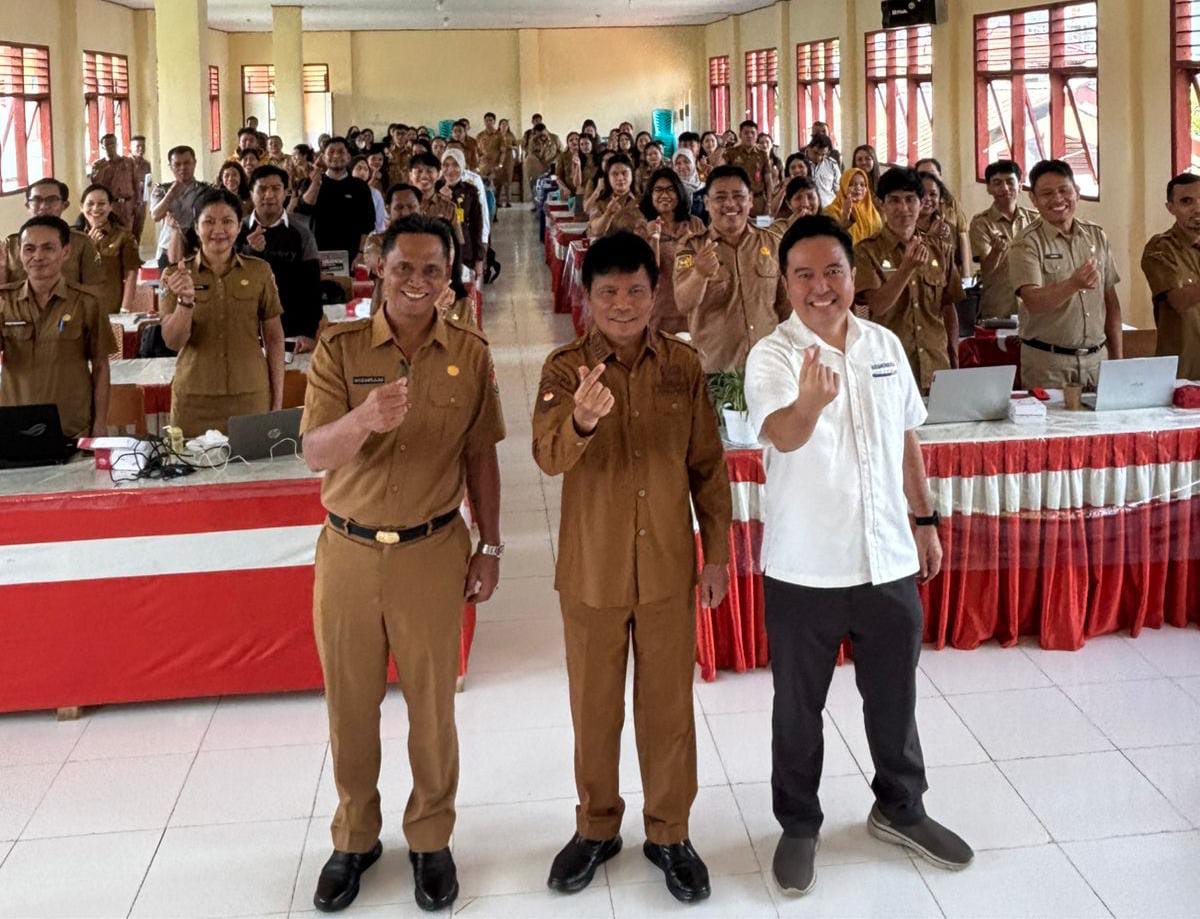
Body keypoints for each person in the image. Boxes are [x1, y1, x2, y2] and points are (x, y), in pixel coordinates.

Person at [744, 214, 973, 897]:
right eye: (806, 275)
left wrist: (925, 517)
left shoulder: (883, 344)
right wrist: (810, 404)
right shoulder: (773, 356)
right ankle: (798, 821)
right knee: (798, 706)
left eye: (834, 272)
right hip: (805, 566)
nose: (822, 288)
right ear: (785, 283)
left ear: (852, 275)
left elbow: (906, 434)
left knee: (894, 696)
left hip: (888, 558)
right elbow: (780, 436)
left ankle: (901, 806)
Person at [301, 215, 504, 915]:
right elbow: (314, 452)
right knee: (349, 705)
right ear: (377, 269)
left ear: (451, 277)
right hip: (350, 553)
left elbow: (482, 453)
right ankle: (356, 836)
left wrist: (493, 544)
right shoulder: (340, 347)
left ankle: (430, 837)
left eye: (432, 272)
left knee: (432, 708)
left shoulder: (470, 353)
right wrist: (363, 419)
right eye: (403, 269)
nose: (417, 284)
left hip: (432, 550)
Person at [532, 230, 731, 904]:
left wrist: (719, 555)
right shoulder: (564, 369)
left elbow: (707, 468)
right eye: (608, 292)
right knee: (594, 709)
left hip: (670, 567)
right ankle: (596, 826)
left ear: (657, 294)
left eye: (637, 291)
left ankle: (669, 832)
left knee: (667, 708)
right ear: (587, 297)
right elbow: (548, 456)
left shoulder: (682, 366)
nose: (623, 304)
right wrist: (582, 423)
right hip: (592, 571)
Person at [158, 188, 285, 436]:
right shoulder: (175, 275)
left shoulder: (259, 272)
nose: (218, 230)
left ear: (239, 227)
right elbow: (173, 342)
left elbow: (274, 338)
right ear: (196, 227)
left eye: (227, 221)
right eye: (209, 222)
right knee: (193, 473)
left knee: (253, 472)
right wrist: (185, 302)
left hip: (250, 396)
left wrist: (277, 401)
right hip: (194, 400)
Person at [1009, 159, 1123, 389]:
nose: (1058, 199)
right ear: (1034, 199)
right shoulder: (1026, 243)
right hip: (1049, 365)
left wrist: (1117, 362)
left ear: (1077, 193)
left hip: (1096, 362)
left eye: (1064, 190)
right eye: (1047, 193)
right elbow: (1033, 302)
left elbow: (1111, 302)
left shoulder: (1096, 236)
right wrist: (1073, 284)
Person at [0, 215, 114, 438]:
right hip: (15, 425)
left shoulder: (87, 302)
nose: (37, 257)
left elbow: (101, 367)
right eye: (29, 249)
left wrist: (100, 426)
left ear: (65, 252)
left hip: (72, 427)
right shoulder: (5, 302)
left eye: (48, 248)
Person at [673, 165, 790, 372]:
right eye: (720, 198)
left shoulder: (773, 244)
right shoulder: (692, 247)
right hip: (717, 372)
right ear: (707, 203)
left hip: (769, 368)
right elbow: (683, 303)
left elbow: (785, 307)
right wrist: (699, 274)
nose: (730, 204)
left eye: (738, 196)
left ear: (751, 200)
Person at [854, 167, 962, 391]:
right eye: (894, 200)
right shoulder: (866, 252)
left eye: (910, 199)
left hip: (936, 364)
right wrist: (906, 269)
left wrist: (953, 352)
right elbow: (878, 305)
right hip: (889, 366)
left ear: (921, 203)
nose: (903, 208)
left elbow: (948, 306)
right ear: (880, 204)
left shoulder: (940, 249)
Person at [236, 165, 323, 353]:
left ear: (286, 193)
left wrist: (308, 333)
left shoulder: (301, 233)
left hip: (292, 331)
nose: (269, 195)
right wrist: (250, 252)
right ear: (251, 193)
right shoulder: (236, 230)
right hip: (244, 332)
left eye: (276, 189)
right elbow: (229, 279)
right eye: (262, 189)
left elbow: (312, 287)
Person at [1142, 173, 1200, 379]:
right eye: (1186, 201)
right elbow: (1179, 301)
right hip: (1183, 372)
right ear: (1171, 208)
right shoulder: (1161, 248)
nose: (1197, 209)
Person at [968, 159, 1038, 322]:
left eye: (1010, 182)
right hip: (998, 308)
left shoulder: (1035, 220)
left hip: (1032, 307)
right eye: (997, 183)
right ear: (989, 188)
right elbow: (987, 269)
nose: (1004, 188)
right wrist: (997, 251)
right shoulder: (981, 223)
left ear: (1020, 185)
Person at [638, 168, 706, 333]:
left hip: (693, 307)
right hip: (659, 310)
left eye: (670, 190)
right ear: (650, 195)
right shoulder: (642, 227)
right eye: (658, 190)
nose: (665, 195)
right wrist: (654, 238)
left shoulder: (694, 224)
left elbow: (708, 261)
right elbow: (648, 273)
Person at [2, 179, 103, 287]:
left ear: (65, 205)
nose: (44, 206)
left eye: (52, 200)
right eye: (37, 200)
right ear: (27, 205)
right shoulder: (11, 245)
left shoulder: (81, 243)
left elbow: (93, 289)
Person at [296, 137, 378, 261]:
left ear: (349, 157)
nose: (336, 155)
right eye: (331, 152)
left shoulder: (359, 186)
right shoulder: (310, 181)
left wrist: (361, 253)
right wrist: (316, 183)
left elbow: (367, 223)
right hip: (316, 252)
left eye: (341, 152)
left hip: (351, 253)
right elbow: (303, 210)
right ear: (323, 158)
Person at [75, 184, 140, 314]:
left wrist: (125, 309)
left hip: (110, 306)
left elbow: (131, 274)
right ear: (81, 207)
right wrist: (89, 248)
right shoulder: (73, 237)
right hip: (79, 308)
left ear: (110, 207)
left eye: (101, 204)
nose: (95, 208)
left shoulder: (123, 236)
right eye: (90, 204)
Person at [150, 145, 210, 267]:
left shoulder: (206, 190)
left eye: (187, 163)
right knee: (170, 284)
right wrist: (171, 194)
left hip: (198, 247)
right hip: (168, 247)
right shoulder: (162, 189)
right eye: (177, 164)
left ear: (194, 163)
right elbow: (156, 216)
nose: (183, 168)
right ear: (170, 167)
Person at [913, 158, 972, 274]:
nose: (927, 198)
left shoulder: (947, 214)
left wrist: (966, 275)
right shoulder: (907, 223)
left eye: (933, 194)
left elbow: (962, 236)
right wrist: (931, 237)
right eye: (921, 175)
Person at [440, 148, 486, 280]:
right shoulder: (434, 189)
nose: (450, 170)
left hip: (465, 250)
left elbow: (477, 226)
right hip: (439, 251)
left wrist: (479, 258)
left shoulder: (470, 191)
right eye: (446, 165)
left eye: (455, 165)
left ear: (462, 166)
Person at [722, 120, 775, 216]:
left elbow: (768, 181)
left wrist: (769, 204)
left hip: (758, 201)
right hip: (737, 201)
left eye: (752, 133)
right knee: (738, 229)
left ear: (756, 135)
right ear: (740, 135)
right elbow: (722, 174)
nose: (749, 136)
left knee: (762, 228)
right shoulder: (731, 153)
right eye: (746, 133)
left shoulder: (763, 154)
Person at [586, 154, 644, 238]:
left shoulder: (643, 200)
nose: (620, 178)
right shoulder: (600, 202)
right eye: (615, 174)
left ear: (632, 174)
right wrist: (608, 214)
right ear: (608, 178)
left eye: (624, 173)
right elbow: (596, 230)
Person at [89, 133, 139, 230]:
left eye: (112, 143)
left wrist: (137, 202)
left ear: (117, 144)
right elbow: (95, 186)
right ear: (103, 146)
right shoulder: (99, 165)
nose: (110, 147)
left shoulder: (128, 162)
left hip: (127, 205)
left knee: (127, 236)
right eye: (107, 144)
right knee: (110, 234)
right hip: (110, 205)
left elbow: (136, 183)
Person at [822, 168, 882, 245]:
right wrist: (843, 221)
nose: (858, 188)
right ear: (843, 187)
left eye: (862, 185)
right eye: (851, 184)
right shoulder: (830, 212)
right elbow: (828, 242)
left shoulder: (872, 211)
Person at [351, 155, 388, 232]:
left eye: (366, 169)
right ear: (351, 171)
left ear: (368, 175)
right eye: (359, 168)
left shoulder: (375, 194)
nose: (362, 172)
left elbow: (380, 224)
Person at [672, 149, 708, 223]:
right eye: (678, 163)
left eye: (686, 161)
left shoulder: (704, 188)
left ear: (693, 163)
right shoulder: (672, 189)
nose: (682, 166)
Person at [805, 135, 840, 210]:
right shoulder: (801, 165)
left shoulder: (832, 165)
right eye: (816, 153)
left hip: (829, 208)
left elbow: (837, 190)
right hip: (807, 208)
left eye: (823, 155)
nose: (819, 157)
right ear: (808, 148)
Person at [129, 135, 154, 241]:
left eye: (143, 146)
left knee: (138, 231)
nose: (141, 149)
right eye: (138, 146)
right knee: (127, 233)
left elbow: (148, 181)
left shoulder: (146, 164)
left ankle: (135, 256)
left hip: (141, 202)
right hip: (129, 203)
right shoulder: (125, 163)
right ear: (131, 147)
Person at [495, 118, 517, 208]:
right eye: (502, 124)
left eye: (506, 125)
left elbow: (516, 147)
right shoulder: (496, 135)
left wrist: (510, 146)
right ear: (499, 126)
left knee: (508, 180)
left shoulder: (511, 135)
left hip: (508, 158)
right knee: (498, 180)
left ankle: (508, 201)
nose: (504, 126)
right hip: (498, 158)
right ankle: (497, 201)